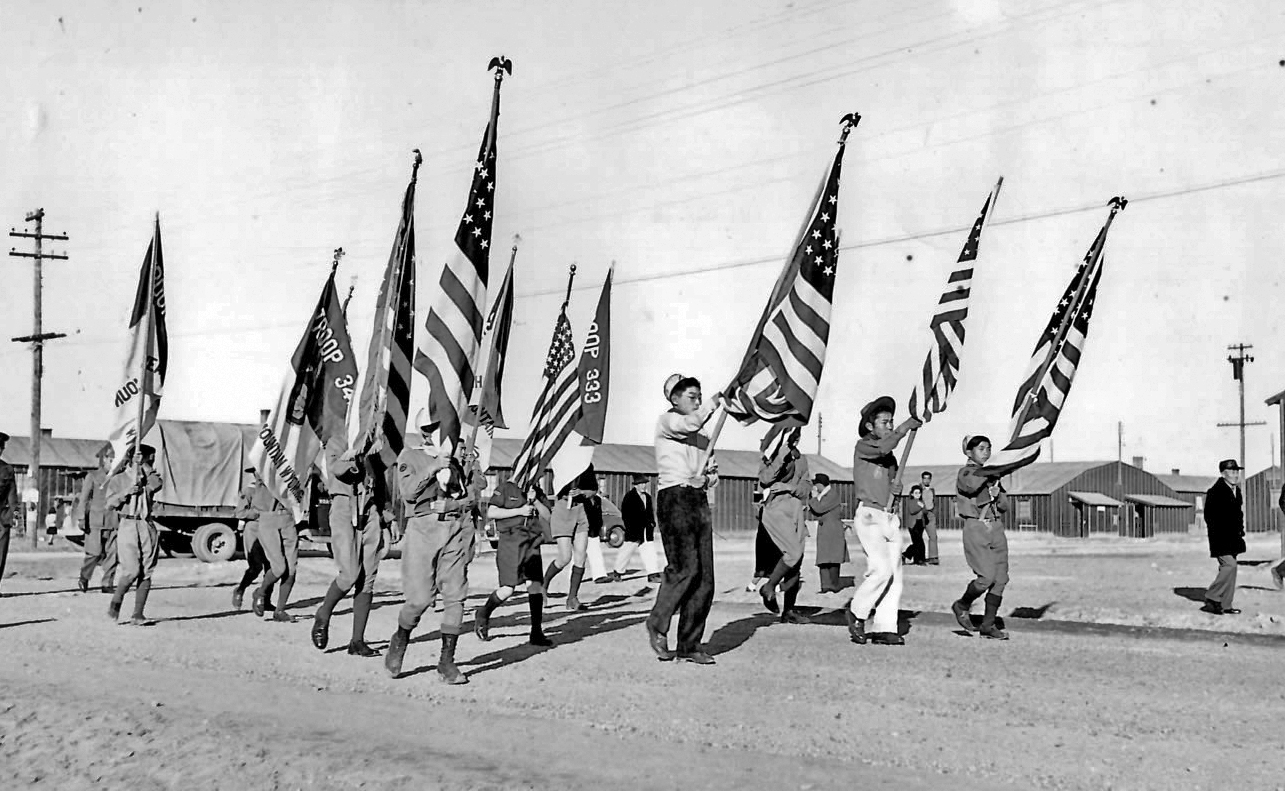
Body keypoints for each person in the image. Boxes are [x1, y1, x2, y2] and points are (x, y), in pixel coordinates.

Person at [385, 421, 477, 684]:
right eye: (437, 428)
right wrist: (434, 466)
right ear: (425, 433)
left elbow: (470, 497)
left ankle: (446, 663)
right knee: (420, 599)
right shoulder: (410, 456)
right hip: (423, 530)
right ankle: (400, 639)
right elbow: (408, 493)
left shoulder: (456, 461)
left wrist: (454, 505)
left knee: (456, 595)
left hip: (454, 529)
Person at [645, 374, 721, 665]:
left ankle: (689, 644)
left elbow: (714, 474)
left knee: (705, 578)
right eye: (692, 396)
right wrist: (715, 403)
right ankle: (658, 622)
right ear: (674, 399)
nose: (698, 401)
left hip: (697, 499)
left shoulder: (703, 438)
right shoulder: (668, 422)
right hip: (674, 497)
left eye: (700, 396)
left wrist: (708, 479)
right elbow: (689, 424)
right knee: (684, 568)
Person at [845, 396, 920, 646]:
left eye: (892, 422)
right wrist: (904, 428)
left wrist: (896, 490)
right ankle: (857, 612)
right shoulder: (863, 446)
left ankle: (885, 627)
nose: (890, 426)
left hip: (889, 516)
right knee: (881, 570)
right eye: (885, 422)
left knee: (895, 576)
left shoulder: (890, 459)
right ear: (870, 426)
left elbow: (889, 478)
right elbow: (883, 448)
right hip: (869, 515)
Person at [311, 436, 393, 658]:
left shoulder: (373, 444)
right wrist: (356, 453)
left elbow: (379, 480)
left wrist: (386, 518)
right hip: (344, 508)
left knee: (367, 578)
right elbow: (337, 469)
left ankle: (357, 641)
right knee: (349, 574)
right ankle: (324, 613)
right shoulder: (338, 441)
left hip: (370, 511)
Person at [473, 473, 553, 646]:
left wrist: (536, 501)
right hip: (510, 542)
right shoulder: (505, 488)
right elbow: (492, 512)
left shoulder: (536, 491)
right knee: (508, 589)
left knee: (535, 585)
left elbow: (547, 516)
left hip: (531, 542)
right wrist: (519, 511)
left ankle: (536, 632)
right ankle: (484, 613)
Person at [949, 436, 1012, 639]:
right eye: (981, 448)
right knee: (986, 578)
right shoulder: (966, 472)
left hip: (996, 526)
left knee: (1001, 578)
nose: (986, 452)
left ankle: (988, 625)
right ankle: (962, 605)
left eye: (989, 448)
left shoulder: (992, 476)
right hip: (976, 526)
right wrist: (991, 475)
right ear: (969, 452)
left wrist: (998, 493)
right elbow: (970, 486)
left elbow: (1004, 506)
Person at [756, 427, 812, 624]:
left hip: (796, 509)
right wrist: (782, 453)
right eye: (791, 435)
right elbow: (765, 479)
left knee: (797, 561)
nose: (796, 438)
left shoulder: (801, 459)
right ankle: (769, 587)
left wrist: (790, 487)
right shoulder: (771, 456)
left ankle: (789, 610)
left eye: (798, 435)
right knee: (792, 553)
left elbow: (806, 488)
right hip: (776, 509)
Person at [105, 444, 164, 625]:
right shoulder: (118, 479)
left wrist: (144, 466)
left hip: (146, 524)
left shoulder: (149, 477)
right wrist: (126, 492)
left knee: (146, 571)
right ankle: (115, 603)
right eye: (149, 459)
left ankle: (138, 614)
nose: (152, 463)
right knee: (131, 570)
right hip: (128, 524)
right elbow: (110, 503)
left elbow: (157, 485)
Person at [249, 467, 303, 624]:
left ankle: (280, 610)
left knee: (291, 569)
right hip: (269, 519)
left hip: (288, 519)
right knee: (279, 567)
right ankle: (260, 593)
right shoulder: (264, 470)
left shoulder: (291, 467)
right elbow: (262, 473)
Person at [543, 468, 598, 611]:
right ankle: (543, 585)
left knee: (581, 555)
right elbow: (555, 488)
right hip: (563, 509)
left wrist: (582, 492)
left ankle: (572, 598)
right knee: (565, 557)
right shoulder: (563, 463)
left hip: (580, 510)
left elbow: (594, 489)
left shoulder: (586, 465)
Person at [1201, 459, 1245, 616]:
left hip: (1234, 538)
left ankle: (1226, 604)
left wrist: (1240, 531)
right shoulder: (1215, 492)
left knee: (1232, 570)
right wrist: (1220, 533)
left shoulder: (1236, 490)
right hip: (1220, 538)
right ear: (1223, 474)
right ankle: (1212, 596)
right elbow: (1209, 517)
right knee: (1229, 566)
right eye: (1232, 472)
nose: (1235, 475)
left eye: (1237, 471)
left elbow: (1238, 515)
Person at [231, 466, 276, 613]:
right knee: (255, 566)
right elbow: (240, 512)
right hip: (254, 529)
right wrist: (257, 514)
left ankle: (265, 599)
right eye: (256, 472)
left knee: (272, 566)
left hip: (270, 529)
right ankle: (240, 589)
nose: (258, 474)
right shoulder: (250, 490)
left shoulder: (274, 489)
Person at [78, 444, 119, 594]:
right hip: (95, 521)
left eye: (116, 460)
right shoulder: (93, 476)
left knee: (112, 554)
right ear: (105, 459)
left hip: (113, 520)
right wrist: (81, 518)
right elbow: (83, 499)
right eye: (111, 460)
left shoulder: (119, 478)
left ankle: (107, 583)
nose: (113, 463)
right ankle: (84, 577)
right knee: (94, 553)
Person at [610, 474, 662, 583]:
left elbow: (650, 513)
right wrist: (630, 527)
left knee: (650, 552)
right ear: (635, 485)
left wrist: (652, 523)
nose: (643, 486)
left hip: (646, 530)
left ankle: (652, 574)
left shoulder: (648, 497)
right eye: (641, 484)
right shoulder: (629, 497)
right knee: (626, 552)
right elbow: (626, 515)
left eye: (644, 484)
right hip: (634, 531)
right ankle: (617, 572)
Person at [810, 473, 848, 592]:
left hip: (833, 530)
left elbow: (819, 508)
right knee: (823, 558)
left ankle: (834, 584)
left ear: (821, 484)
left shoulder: (832, 495)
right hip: (825, 529)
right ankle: (825, 585)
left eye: (816, 485)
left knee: (833, 558)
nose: (815, 487)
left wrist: (814, 498)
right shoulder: (824, 495)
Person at [0, 432, 15, 594]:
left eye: (1, 448)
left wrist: (11, 515)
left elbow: (12, 495)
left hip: (1, 517)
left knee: (0, 553)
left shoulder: (7, 470)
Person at [902, 485, 927, 566]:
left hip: (920, 523)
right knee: (918, 543)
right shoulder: (911, 501)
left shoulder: (921, 501)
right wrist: (920, 507)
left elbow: (925, 511)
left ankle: (917, 559)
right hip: (913, 524)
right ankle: (918, 559)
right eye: (916, 493)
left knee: (918, 542)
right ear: (912, 494)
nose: (918, 494)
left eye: (919, 493)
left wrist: (923, 507)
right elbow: (912, 511)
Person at [921, 471, 939, 565]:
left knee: (933, 536)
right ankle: (909, 555)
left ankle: (933, 557)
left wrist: (934, 512)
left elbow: (934, 501)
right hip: (921, 514)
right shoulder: (918, 489)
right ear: (922, 479)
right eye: (925, 478)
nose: (926, 480)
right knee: (918, 538)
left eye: (928, 478)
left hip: (930, 514)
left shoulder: (932, 490)